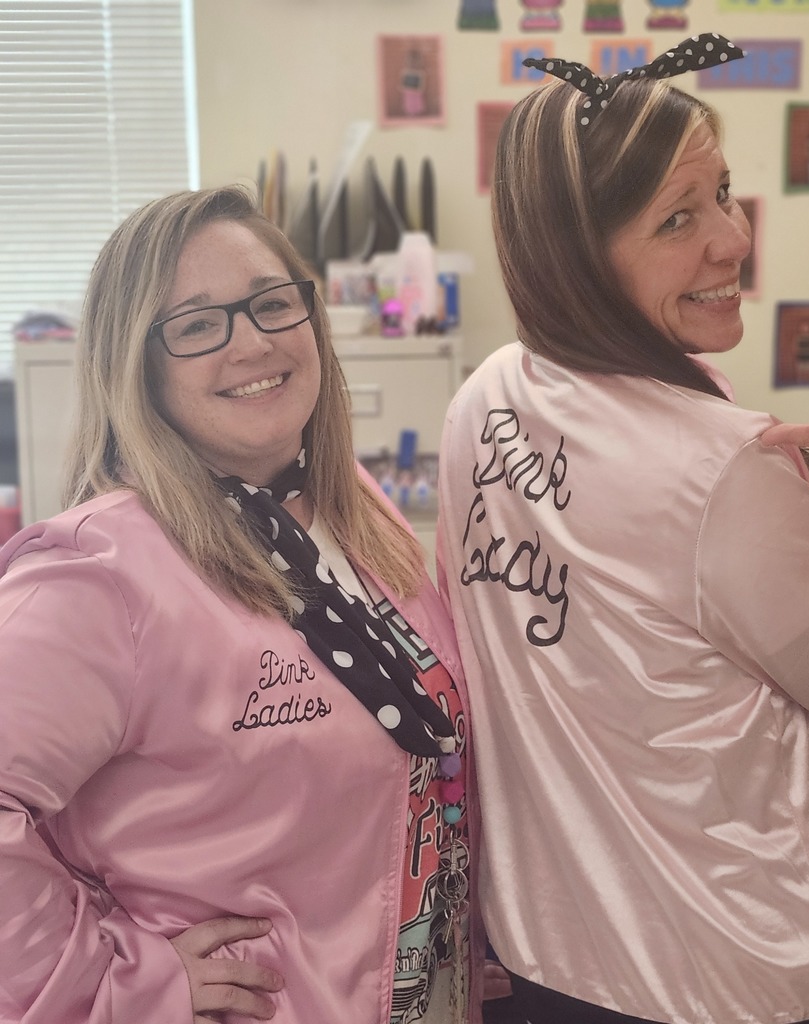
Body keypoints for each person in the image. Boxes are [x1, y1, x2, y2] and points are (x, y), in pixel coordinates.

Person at [435, 34, 809, 1024]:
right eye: (676, 219)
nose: (734, 239)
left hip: (556, 961)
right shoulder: (719, 468)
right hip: (763, 976)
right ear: (576, 256)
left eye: (724, 194)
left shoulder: (486, 400)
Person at [0, 185, 484, 1024]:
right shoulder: (97, 575)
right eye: (195, 325)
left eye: (271, 304)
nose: (252, 342)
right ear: (136, 364)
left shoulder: (351, 507)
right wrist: (113, 984)